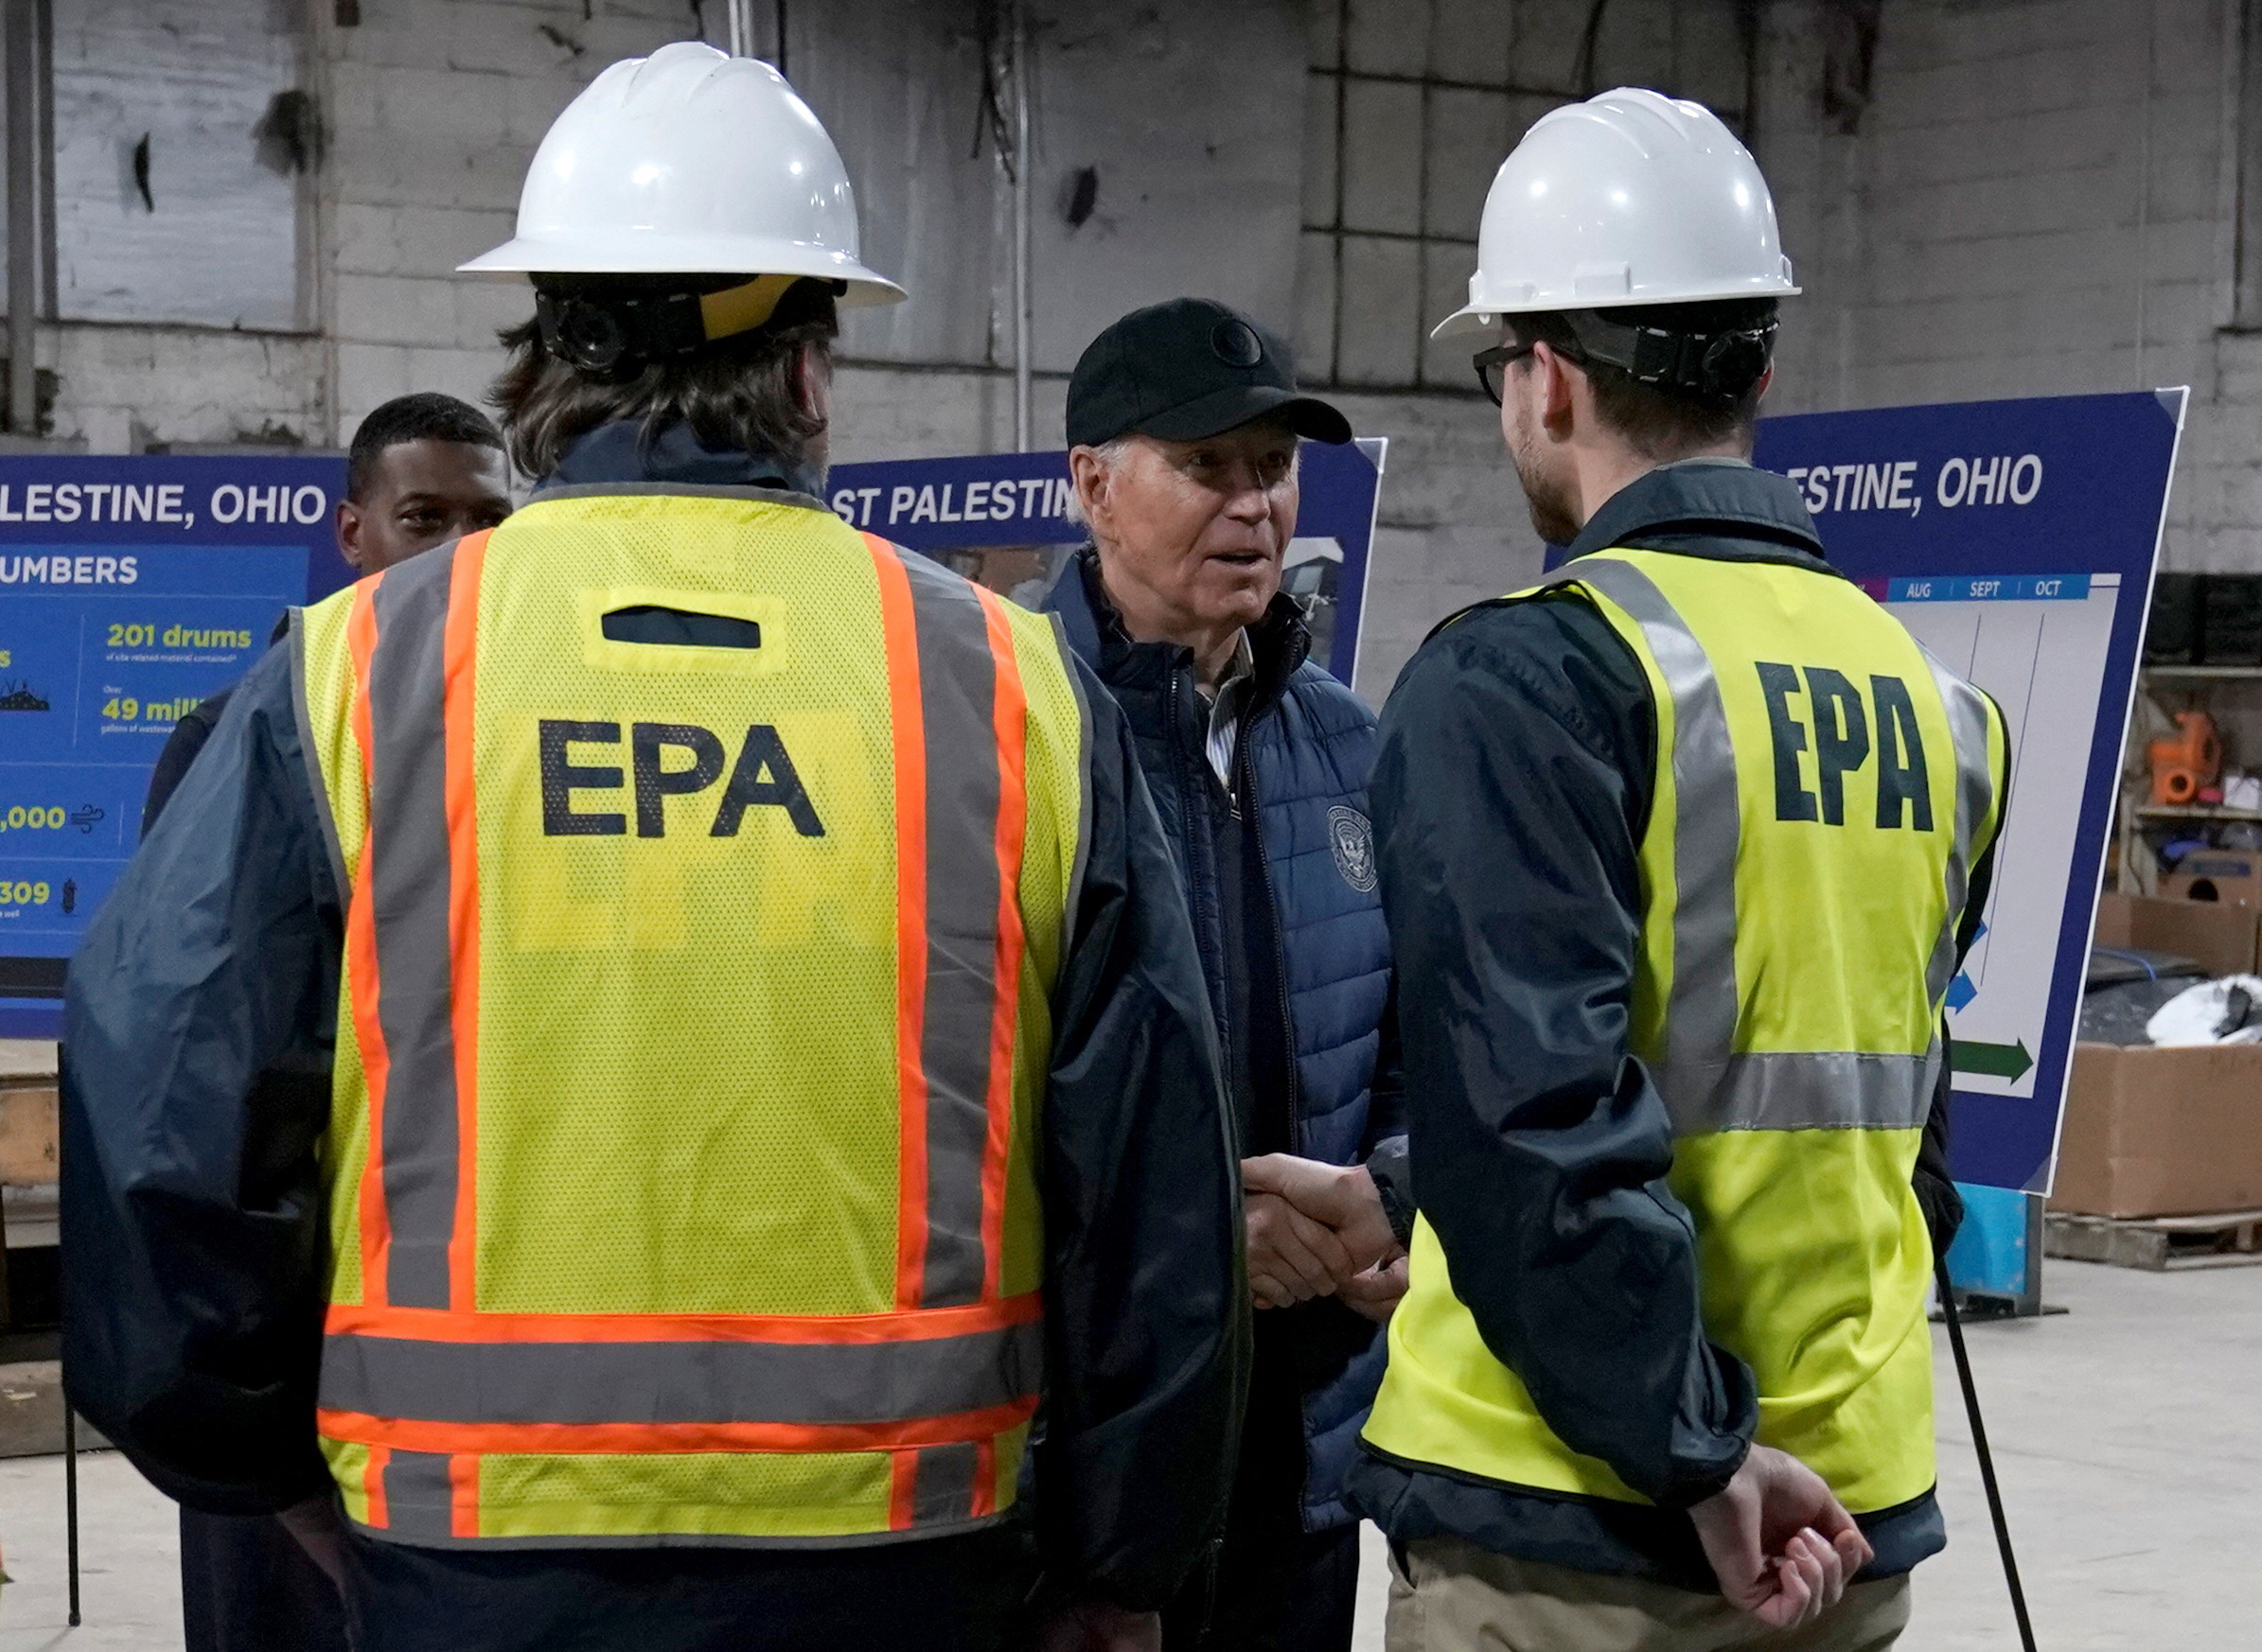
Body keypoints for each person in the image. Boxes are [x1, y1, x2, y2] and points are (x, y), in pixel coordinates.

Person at [64, 43, 1243, 1652]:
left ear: (549, 346)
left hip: (470, 1557)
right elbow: (1155, 1187)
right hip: (914, 1561)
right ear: (811, 371)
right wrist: (1123, 1562)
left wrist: (252, 1466)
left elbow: (165, 1114)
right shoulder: (1008, 689)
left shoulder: (353, 675)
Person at [1347, 89, 2009, 1651]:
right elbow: (1860, 1117)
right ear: (1759, 368)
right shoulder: (1945, 710)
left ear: (1547, 382)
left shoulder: (1527, 679)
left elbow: (1543, 1129)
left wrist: (1696, 1448)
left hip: (1584, 1532)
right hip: (1847, 1521)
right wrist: (1393, 1189)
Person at [1048, 297, 1408, 1652]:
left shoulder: (1350, 746)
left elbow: (1414, 1048)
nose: (1254, 503)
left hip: (1301, 1446)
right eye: (1207, 466)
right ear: (1090, 482)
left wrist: (1386, 1204)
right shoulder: (1006, 724)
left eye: (1273, 466)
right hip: (1088, 1454)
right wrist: (1208, 1245)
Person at [140, 392, 511, 840]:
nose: (464, 546)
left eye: (491, 521)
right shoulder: (236, 739)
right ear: (352, 534)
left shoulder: (541, 718)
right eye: (423, 518)